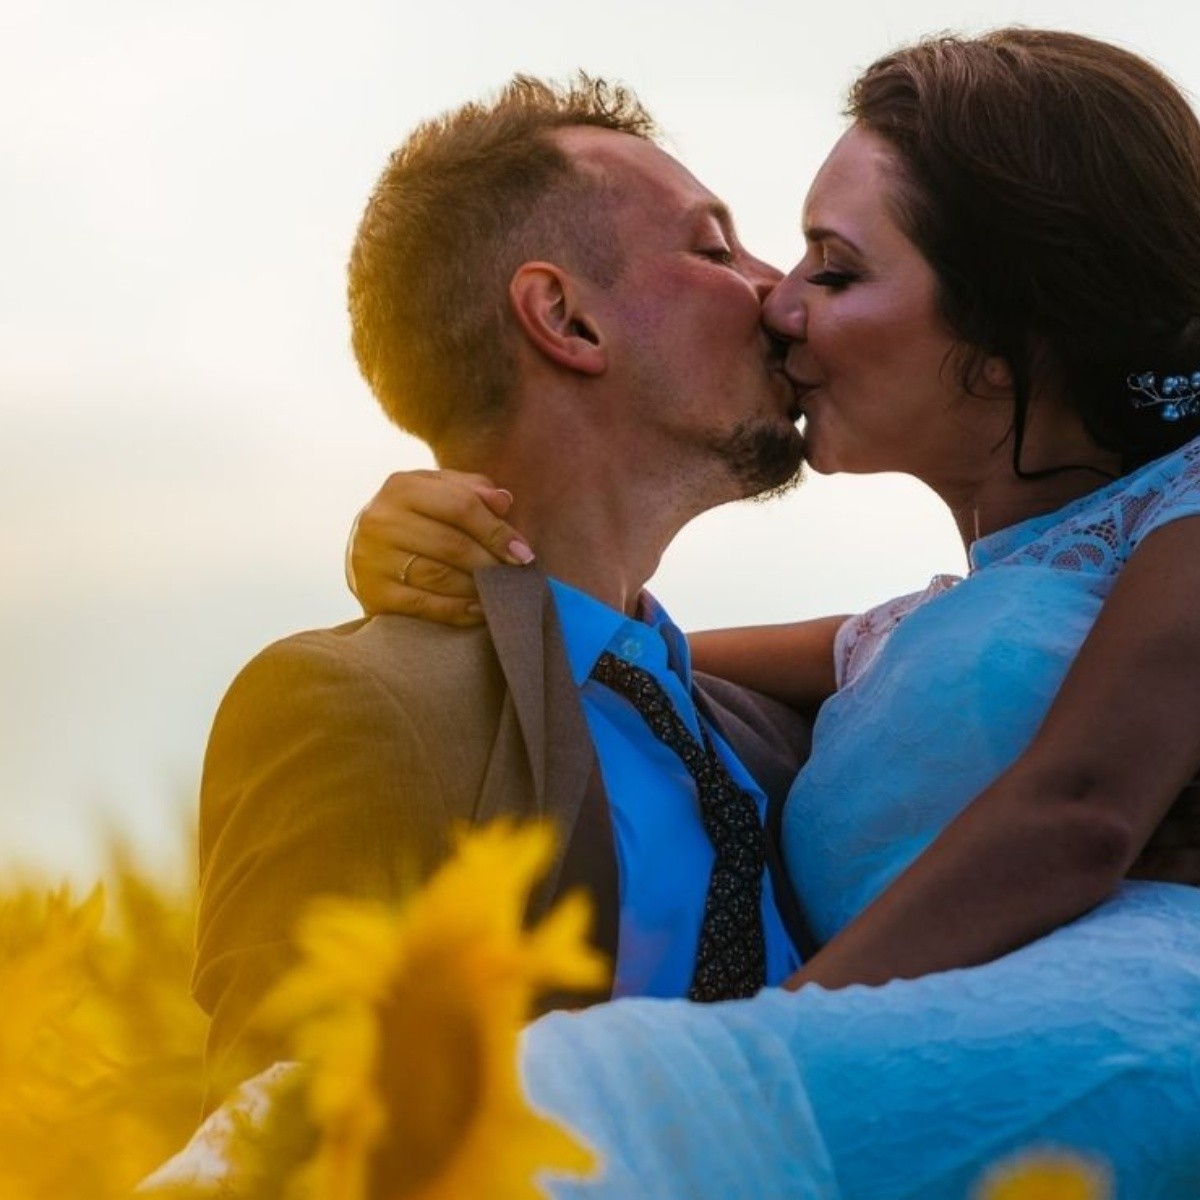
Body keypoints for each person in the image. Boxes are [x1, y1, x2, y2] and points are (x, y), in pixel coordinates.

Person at [345, 30, 1200, 1194]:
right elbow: (617, 652)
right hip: (927, 1113)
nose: (777, 302)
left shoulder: (1183, 518)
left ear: (1007, 338)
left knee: (571, 1111)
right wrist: (449, 547)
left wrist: (742, 1057)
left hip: (1124, 1041)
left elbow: (1081, 811)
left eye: (835, 272)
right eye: (751, 252)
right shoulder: (899, 636)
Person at [193, 73, 824, 1100]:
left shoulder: (788, 730)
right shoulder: (354, 709)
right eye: (714, 248)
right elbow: (280, 1149)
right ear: (564, 319)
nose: (780, 292)